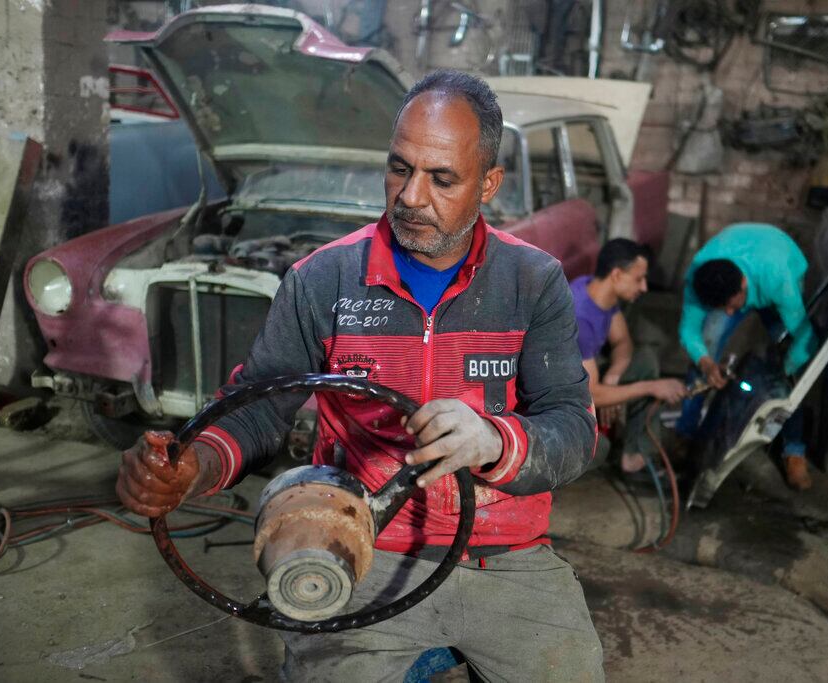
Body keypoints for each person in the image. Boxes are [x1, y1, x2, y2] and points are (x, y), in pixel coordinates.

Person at [116, 69, 604, 681]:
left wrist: (493, 441)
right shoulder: (324, 279)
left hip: (505, 558)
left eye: (442, 178)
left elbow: (573, 429)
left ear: (489, 184)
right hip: (363, 549)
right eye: (400, 167)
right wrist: (193, 465)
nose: (410, 196)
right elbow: (258, 405)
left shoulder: (532, 281)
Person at [677, 222, 817, 490]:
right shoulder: (700, 278)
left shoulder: (778, 280)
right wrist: (706, 363)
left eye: (731, 306)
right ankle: (686, 435)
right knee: (703, 348)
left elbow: (805, 337)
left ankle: (794, 451)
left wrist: (786, 369)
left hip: (779, 263)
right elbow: (689, 330)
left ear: (742, 286)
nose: (730, 314)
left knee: (794, 369)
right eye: (721, 307)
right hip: (743, 273)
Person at [570, 238, 686, 476]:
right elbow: (590, 394)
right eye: (638, 279)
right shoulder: (580, 316)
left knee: (645, 359)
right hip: (565, 396)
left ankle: (634, 456)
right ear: (616, 275)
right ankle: (616, 450)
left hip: (592, 377)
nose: (644, 287)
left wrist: (613, 376)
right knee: (599, 448)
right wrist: (651, 387)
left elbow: (623, 343)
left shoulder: (596, 290)